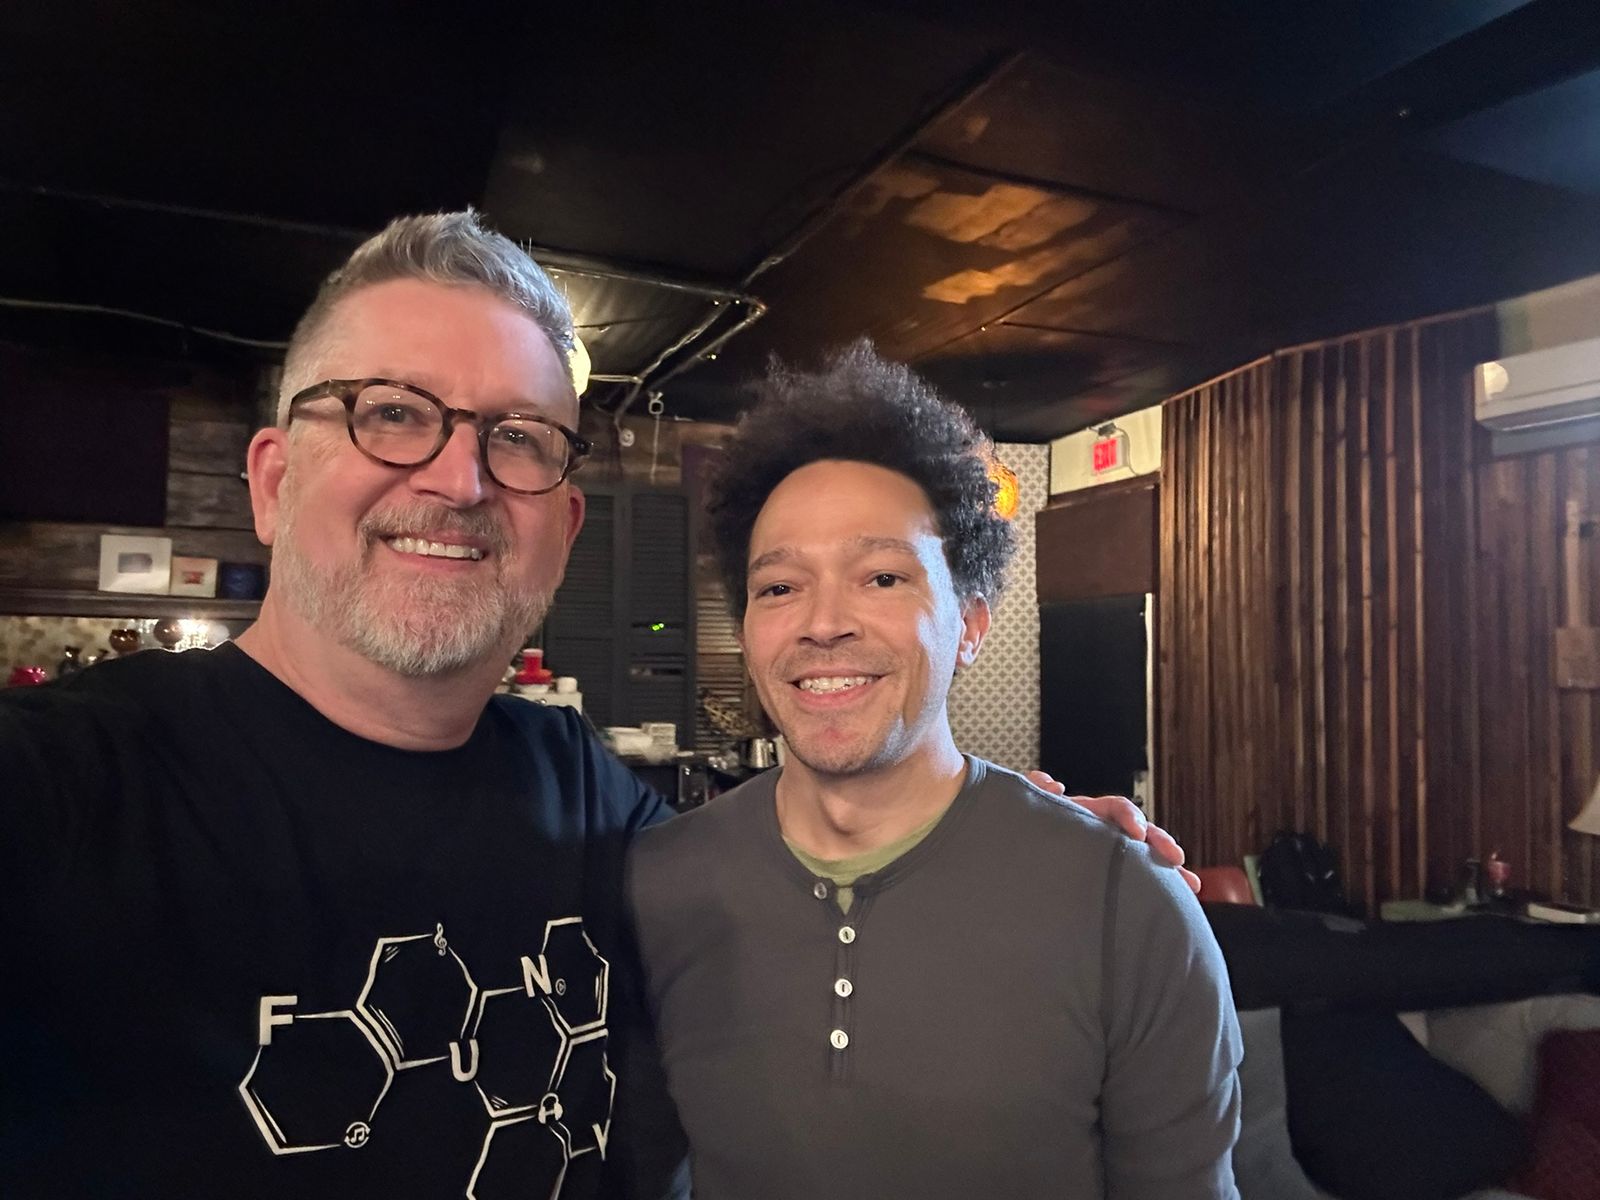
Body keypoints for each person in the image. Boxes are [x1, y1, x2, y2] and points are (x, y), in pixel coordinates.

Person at [0, 213, 1187, 1199]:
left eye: (518, 438)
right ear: (270, 481)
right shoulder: (72, 785)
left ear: (561, 530)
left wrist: (1010, 835)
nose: (458, 478)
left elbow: (792, 869)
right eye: (391, 412)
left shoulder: (579, 790)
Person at [627, 342, 1242, 1200]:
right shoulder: (656, 885)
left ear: (971, 625)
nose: (823, 622)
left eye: (882, 577)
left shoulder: (1127, 904)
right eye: (779, 587)